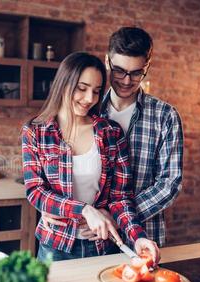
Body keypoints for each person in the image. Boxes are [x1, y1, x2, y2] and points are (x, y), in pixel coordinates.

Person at [42, 27, 184, 247]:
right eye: (119, 70)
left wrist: (115, 216)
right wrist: (50, 208)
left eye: (137, 72)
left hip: (143, 235)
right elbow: (53, 176)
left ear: (147, 66)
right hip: (90, 239)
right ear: (108, 62)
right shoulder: (86, 108)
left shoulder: (165, 116)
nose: (127, 81)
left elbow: (169, 184)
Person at [21, 51, 160, 263]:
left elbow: (120, 198)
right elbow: (36, 192)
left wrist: (138, 237)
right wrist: (85, 210)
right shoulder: (35, 132)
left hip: (102, 246)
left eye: (96, 91)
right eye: (82, 88)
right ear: (63, 83)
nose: (89, 99)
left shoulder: (111, 133)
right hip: (55, 247)